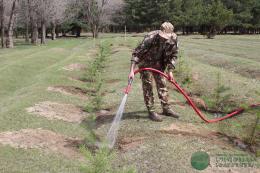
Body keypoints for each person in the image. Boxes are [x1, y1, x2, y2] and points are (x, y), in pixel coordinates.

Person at [128, 22, 180, 122]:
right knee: (148, 86)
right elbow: (137, 53)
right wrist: (132, 71)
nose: (164, 38)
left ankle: (166, 109)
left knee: (162, 85)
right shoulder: (150, 37)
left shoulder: (174, 39)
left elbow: (174, 55)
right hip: (146, 63)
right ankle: (151, 111)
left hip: (159, 64)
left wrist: (170, 71)